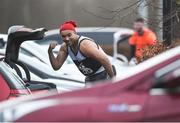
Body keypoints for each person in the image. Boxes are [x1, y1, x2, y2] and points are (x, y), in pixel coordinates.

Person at [48, 20, 115, 83]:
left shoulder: (84, 44)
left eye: (69, 35)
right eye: (63, 36)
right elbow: (56, 66)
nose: (67, 39)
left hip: (103, 74)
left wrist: (112, 79)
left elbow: (105, 59)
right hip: (90, 77)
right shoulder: (65, 47)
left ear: (75, 33)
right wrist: (50, 51)